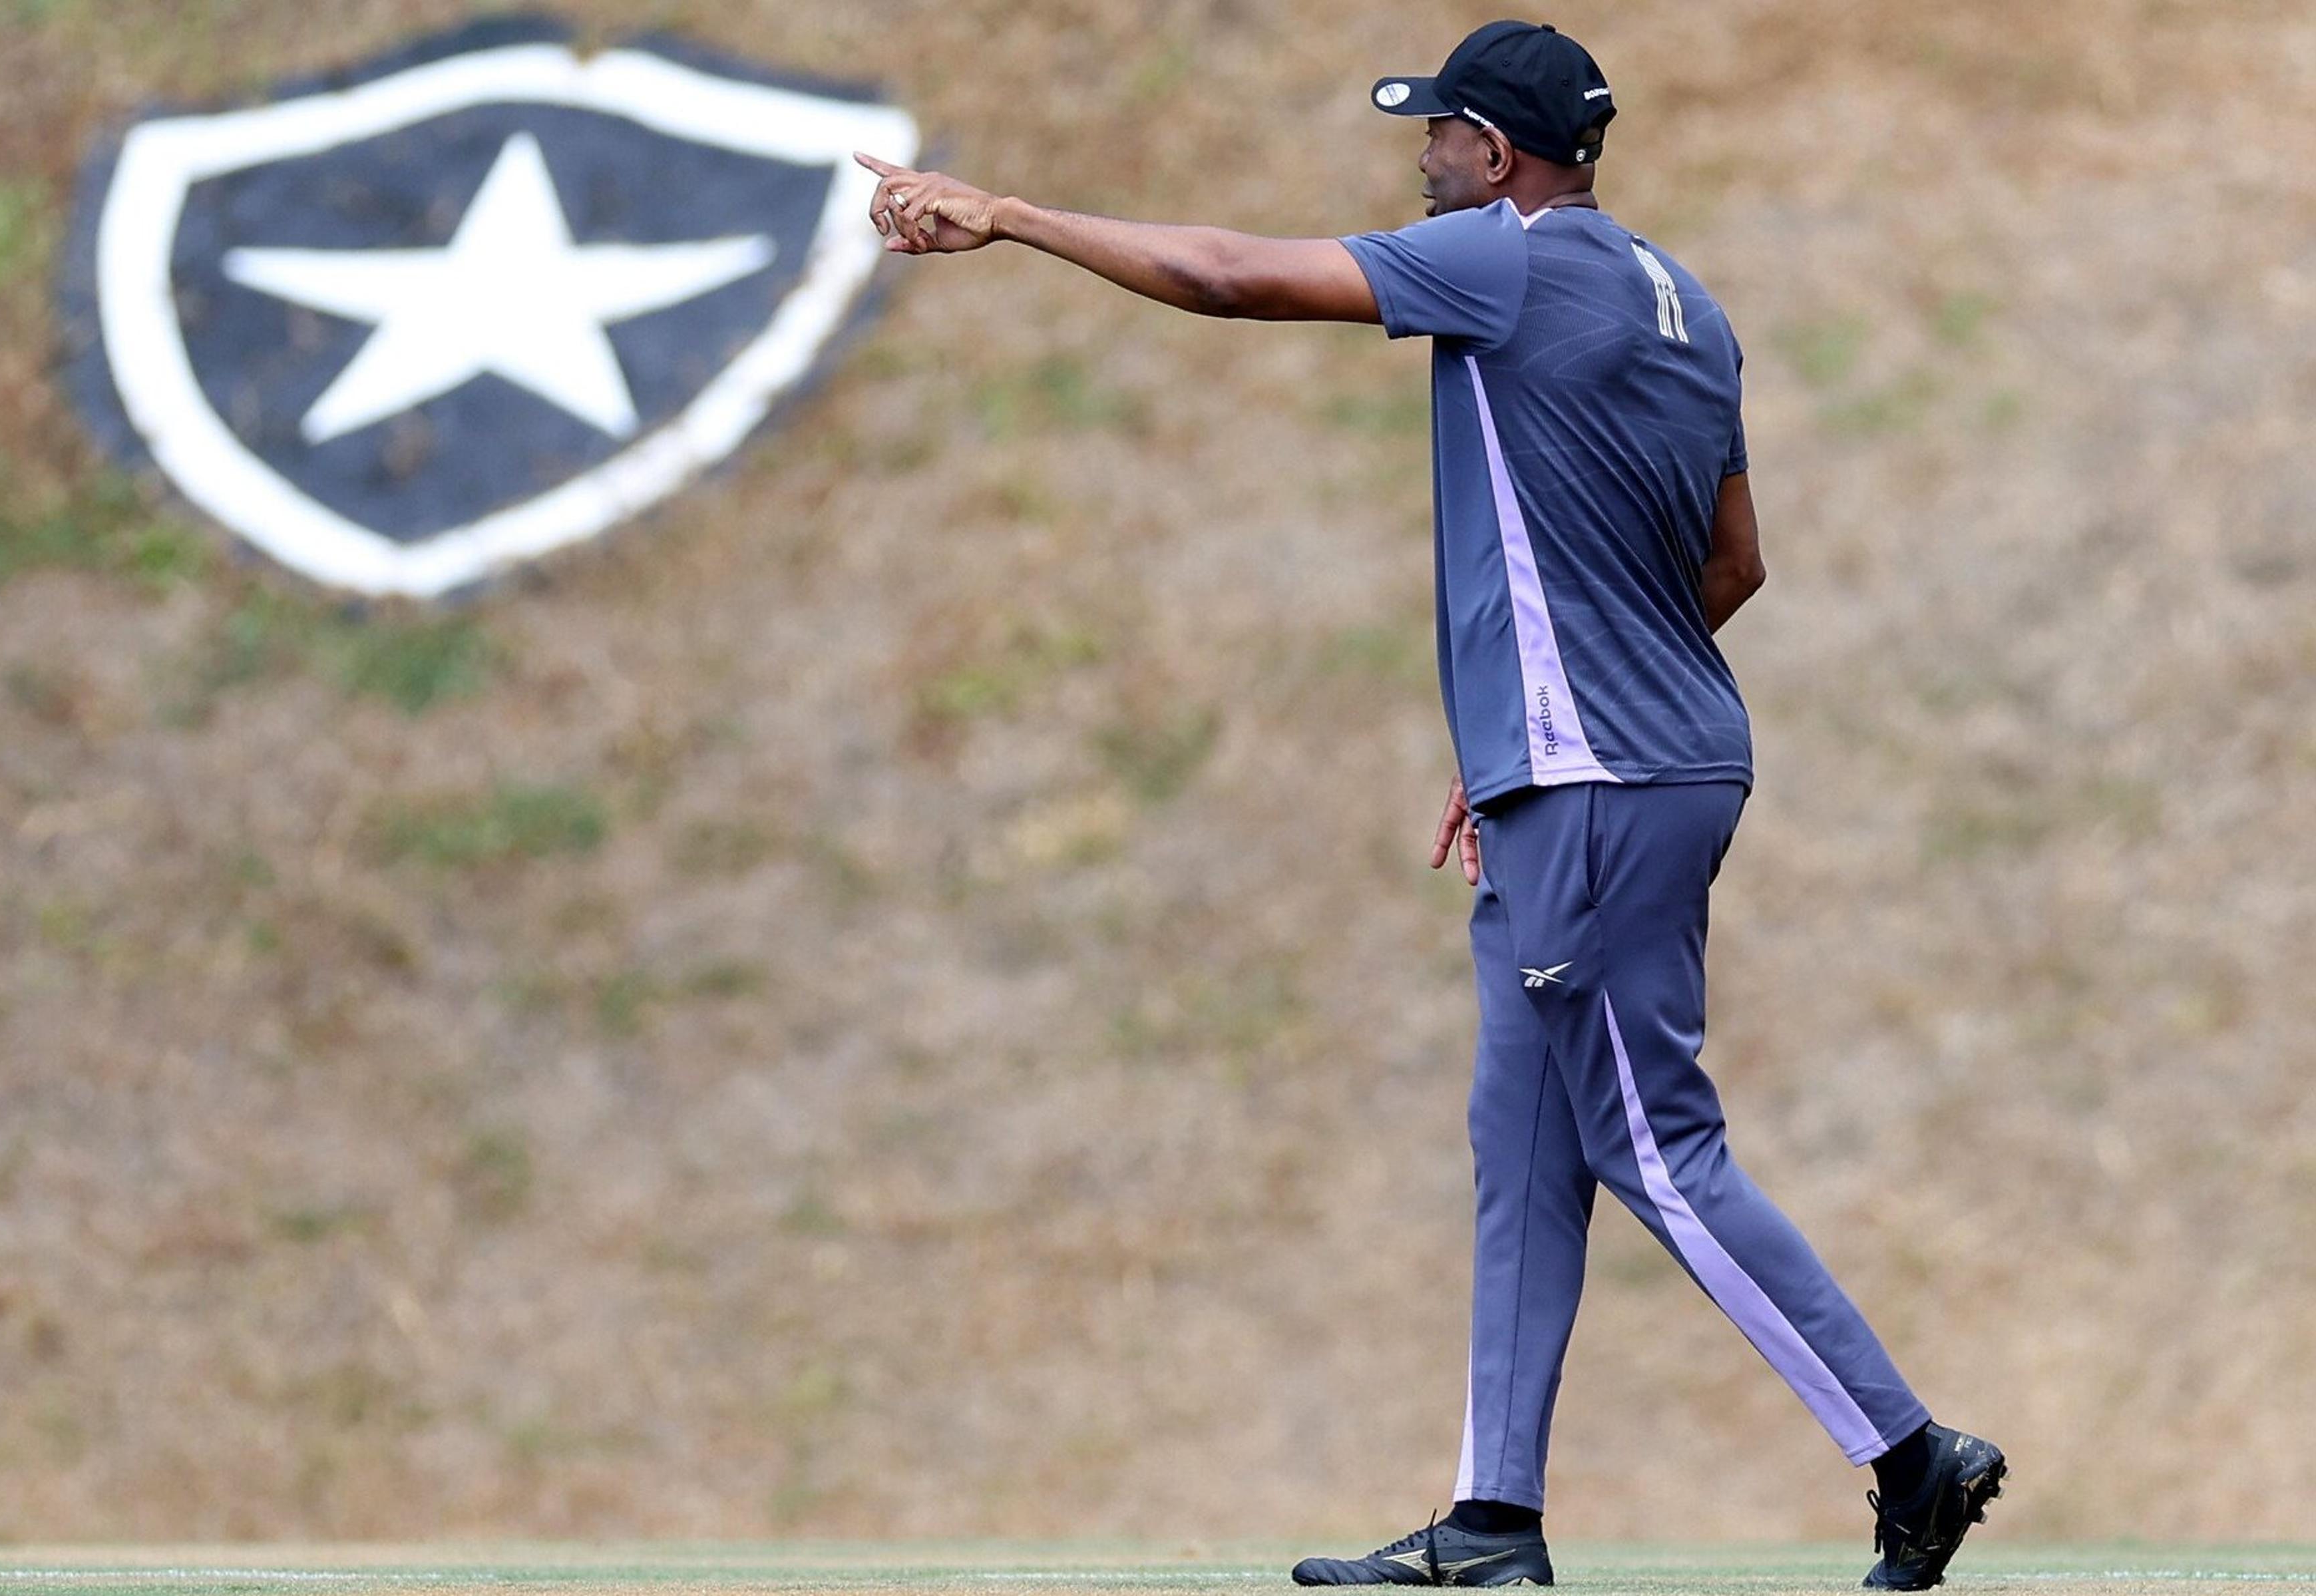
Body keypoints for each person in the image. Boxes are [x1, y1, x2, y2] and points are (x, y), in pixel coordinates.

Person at [855, 17, 2005, 1590]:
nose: (1421, 156)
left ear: (1506, 156)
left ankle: (1908, 1454)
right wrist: (1537, 724)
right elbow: (1734, 567)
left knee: (1656, 1146)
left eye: (1442, 132)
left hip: (1595, 777)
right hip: (1616, 764)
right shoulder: (1689, 299)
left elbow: (1224, 275)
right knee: (1524, 1142)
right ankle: (1493, 1523)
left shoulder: (1504, 259)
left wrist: (1014, 216)